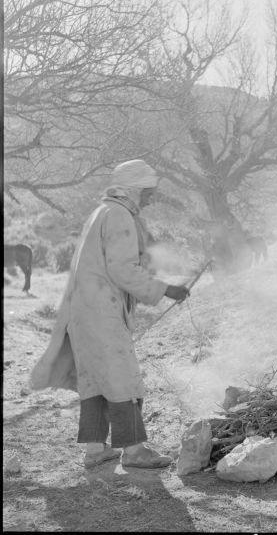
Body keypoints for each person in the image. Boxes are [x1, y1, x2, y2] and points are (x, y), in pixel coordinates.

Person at [30, 159, 190, 468]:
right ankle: (134, 451)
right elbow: (122, 269)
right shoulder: (119, 215)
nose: (151, 198)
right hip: (102, 313)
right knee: (122, 379)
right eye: (148, 191)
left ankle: (95, 450)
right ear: (134, 189)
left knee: (95, 380)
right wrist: (166, 290)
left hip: (84, 313)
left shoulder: (100, 212)